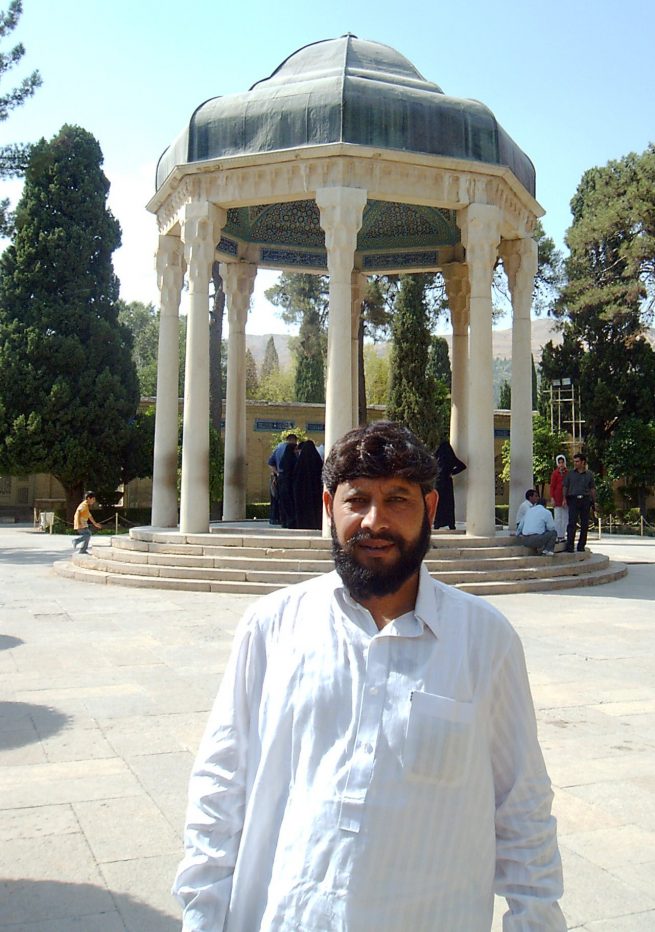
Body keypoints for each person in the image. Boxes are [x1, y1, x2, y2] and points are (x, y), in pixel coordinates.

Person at [173, 421, 565, 931]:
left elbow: (523, 810)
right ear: (328, 507)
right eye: (357, 500)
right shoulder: (272, 627)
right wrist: (202, 920)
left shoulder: (485, 641)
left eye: (397, 500)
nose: (374, 522)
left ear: (429, 509)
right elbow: (220, 787)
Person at [564, 452, 596, 553]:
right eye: (574, 462)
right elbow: (565, 486)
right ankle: (570, 545)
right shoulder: (570, 474)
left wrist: (594, 501)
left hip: (585, 500)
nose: (575, 463)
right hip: (573, 499)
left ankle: (581, 545)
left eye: (577, 461)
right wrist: (564, 499)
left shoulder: (589, 474)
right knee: (572, 523)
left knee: (585, 524)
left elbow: (592, 488)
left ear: (583, 462)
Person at [433, 440, 466, 530]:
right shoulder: (451, 458)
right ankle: (451, 523)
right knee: (449, 504)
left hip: (439, 483)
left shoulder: (436, 458)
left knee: (439, 504)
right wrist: (452, 472)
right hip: (447, 483)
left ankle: (438, 523)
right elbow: (462, 466)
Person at [267, 434, 298, 528]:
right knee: (290, 500)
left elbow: (270, 463)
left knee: (282, 500)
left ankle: (283, 520)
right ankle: (291, 521)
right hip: (290, 479)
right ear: (294, 441)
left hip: (281, 477)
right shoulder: (291, 450)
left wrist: (277, 473)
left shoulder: (278, 448)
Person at [292, 439, 324, 530]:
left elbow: (295, 477)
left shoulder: (300, 462)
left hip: (301, 491)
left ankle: (302, 524)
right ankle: (315, 524)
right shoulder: (316, 459)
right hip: (315, 490)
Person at [549, 455, 568, 542]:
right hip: (557, 498)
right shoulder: (555, 473)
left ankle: (562, 536)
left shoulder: (567, 473)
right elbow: (552, 486)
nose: (561, 464)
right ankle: (557, 535)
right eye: (559, 462)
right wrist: (552, 498)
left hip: (566, 498)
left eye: (562, 462)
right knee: (557, 518)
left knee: (565, 518)